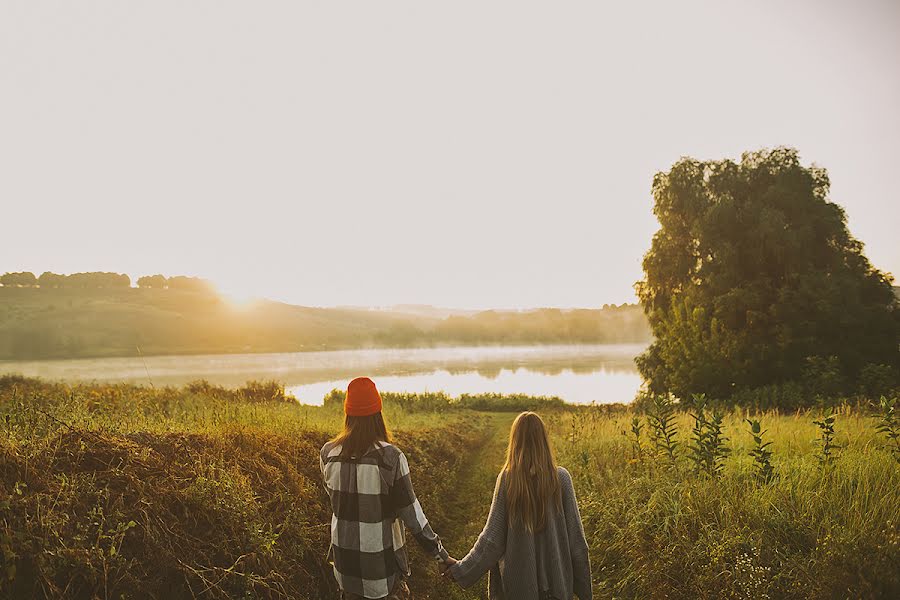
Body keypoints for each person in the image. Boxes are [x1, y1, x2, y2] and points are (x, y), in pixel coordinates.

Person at [320, 377, 453, 599]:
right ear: (377, 414)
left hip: (344, 565)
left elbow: (336, 501)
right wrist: (441, 556)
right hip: (380, 569)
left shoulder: (328, 454)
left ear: (348, 414)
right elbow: (413, 516)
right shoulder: (390, 457)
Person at [444, 411, 592, 600]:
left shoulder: (508, 479)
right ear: (543, 440)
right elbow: (578, 544)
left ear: (515, 441)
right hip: (557, 590)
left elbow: (491, 541)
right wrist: (585, 593)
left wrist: (461, 570)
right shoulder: (561, 478)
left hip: (518, 591)